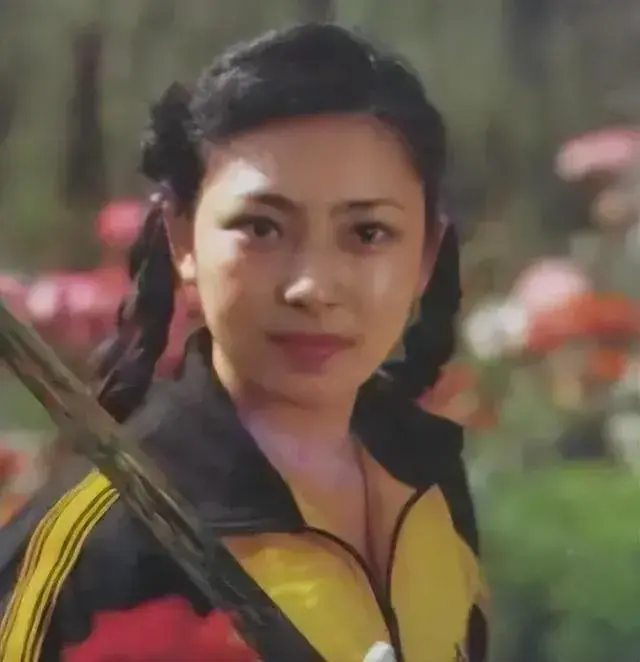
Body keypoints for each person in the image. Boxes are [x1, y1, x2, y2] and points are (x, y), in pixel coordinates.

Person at [0, 24, 487, 662]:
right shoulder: (103, 543)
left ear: (426, 255)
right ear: (181, 240)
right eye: (261, 228)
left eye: (368, 233)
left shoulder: (427, 471)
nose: (313, 287)